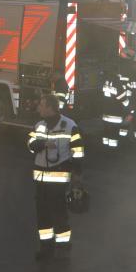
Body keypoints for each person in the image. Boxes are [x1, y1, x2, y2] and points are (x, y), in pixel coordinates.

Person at [27, 94, 84, 259]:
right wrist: (43, 144)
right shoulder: (39, 125)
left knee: (59, 214)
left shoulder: (70, 126)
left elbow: (78, 152)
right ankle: (46, 249)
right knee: (42, 216)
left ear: (50, 108)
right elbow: (30, 144)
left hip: (58, 182)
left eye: (41, 105)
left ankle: (63, 248)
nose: (38, 108)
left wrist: (77, 175)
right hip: (41, 182)